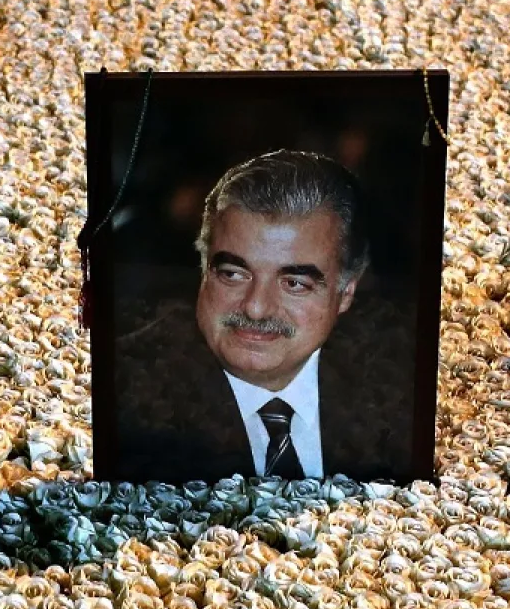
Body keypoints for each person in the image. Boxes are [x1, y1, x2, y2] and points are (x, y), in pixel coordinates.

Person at [113, 148, 414, 483]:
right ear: (203, 269)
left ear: (345, 294)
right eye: (233, 274)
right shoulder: (122, 395)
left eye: (294, 283)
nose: (256, 307)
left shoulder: (403, 384)